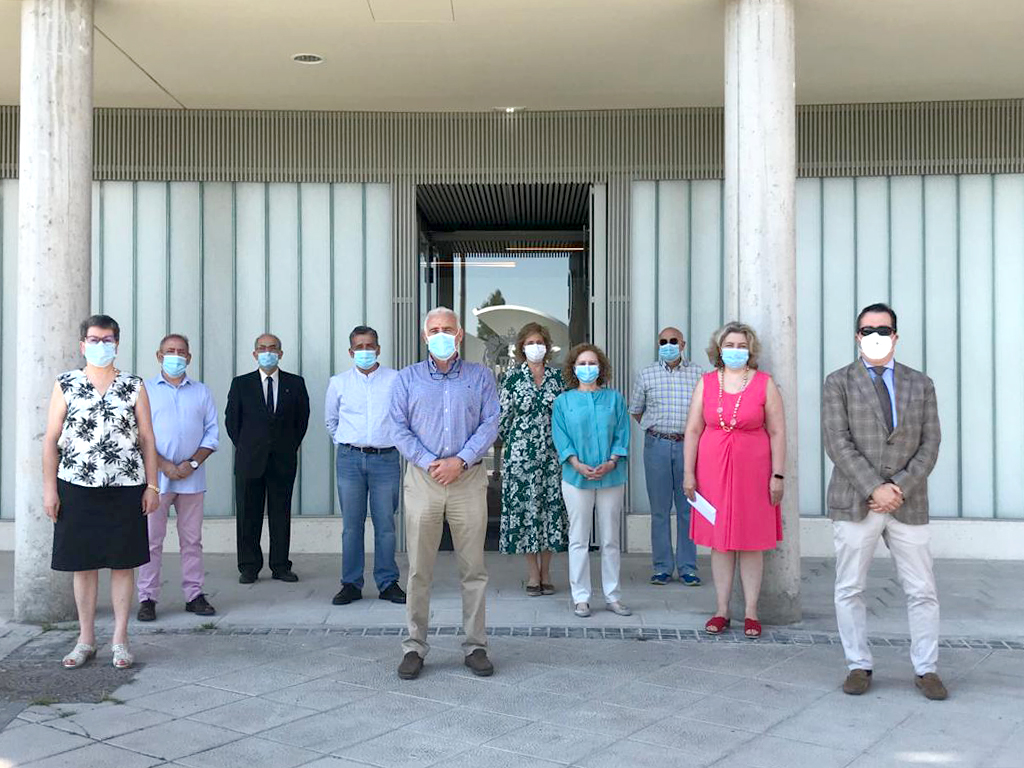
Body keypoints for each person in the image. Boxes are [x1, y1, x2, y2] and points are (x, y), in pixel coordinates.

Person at [823, 303, 945, 700]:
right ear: (857, 336)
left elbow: (930, 444)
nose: (875, 335)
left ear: (895, 335)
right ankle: (858, 664)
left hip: (908, 502)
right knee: (850, 588)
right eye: (867, 329)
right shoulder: (838, 382)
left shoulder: (921, 383)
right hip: (856, 499)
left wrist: (899, 486)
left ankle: (926, 669)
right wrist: (874, 486)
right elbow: (837, 442)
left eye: (883, 328)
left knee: (922, 590)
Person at [42, 315, 160, 669]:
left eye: (107, 340)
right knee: (84, 564)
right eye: (94, 340)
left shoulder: (134, 385)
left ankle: (120, 640)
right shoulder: (66, 384)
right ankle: (86, 639)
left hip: (125, 486)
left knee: (123, 563)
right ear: (83, 345)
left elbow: (148, 439)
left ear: (117, 344)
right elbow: (51, 439)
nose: (101, 346)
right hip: (77, 485)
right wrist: (50, 489)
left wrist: (152, 485)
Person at [390, 307, 499, 680]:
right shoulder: (407, 379)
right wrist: (430, 461)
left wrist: (462, 461)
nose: (440, 334)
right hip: (423, 481)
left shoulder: (480, 376)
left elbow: (490, 423)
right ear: (424, 337)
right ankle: (415, 647)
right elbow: (398, 428)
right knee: (420, 570)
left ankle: (476, 646)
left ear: (459, 334)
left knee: (474, 570)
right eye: (434, 329)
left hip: (467, 481)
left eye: (447, 329)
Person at [683, 322, 784, 639]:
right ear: (719, 348)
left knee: (751, 541)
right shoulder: (707, 382)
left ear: (750, 350)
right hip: (712, 470)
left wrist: (777, 474)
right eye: (730, 345)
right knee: (720, 542)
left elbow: (778, 431)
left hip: (754, 471)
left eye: (742, 346)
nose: (735, 351)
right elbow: (694, 429)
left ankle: (751, 611)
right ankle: (722, 609)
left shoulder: (765, 384)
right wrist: (689, 471)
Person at [137, 334, 219, 621]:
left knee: (192, 540)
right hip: (155, 480)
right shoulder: (144, 390)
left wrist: (193, 462)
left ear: (189, 357)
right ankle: (147, 597)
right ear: (159, 356)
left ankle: (194, 594)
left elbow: (212, 433)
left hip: (192, 479)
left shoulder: (201, 392)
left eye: (181, 351)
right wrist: (163, 465)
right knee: (150, 541)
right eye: (169, 351)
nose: (175, 356)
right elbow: (138, 433)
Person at [325, 325, 405, 606]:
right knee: (351, 526)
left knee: (385, 524)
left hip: (386, 460)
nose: (364, 352)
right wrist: (348, 444)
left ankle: (387, 582)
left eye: (369, 346)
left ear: (379, 349)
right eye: (359, 347)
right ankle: (351, 583)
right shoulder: (339, 382)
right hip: (349, 460)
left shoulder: (396, 380)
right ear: (350, 352)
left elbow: (403, 417)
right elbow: (331, 421)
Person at [552, 343, 631, 619]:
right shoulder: (563, 402)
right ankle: (581, 597)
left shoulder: (614, 399)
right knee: (578, 538)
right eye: (582, 363)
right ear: (573, 368)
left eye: (592, 363)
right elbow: (560, 436)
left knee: (610, 539)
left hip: (612, 476)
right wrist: (575, 462)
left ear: (601, 367)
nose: (588, 368)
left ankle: (613, 596)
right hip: (576, 477)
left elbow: (623, 432)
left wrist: (612, 461)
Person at [226, 333, 310, 584]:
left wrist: (286, 446)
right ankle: (249, 566)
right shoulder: (241, 384)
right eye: (262, 348)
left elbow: (301, 421)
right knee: (247, 514)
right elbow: (232, 421)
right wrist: (248, 447)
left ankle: (280, 565)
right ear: (254, 354)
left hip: (282, 460)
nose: (267, 352)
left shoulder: (295, 383)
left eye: (273, 348)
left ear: (281, 353)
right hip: (249, 460)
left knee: (280, 514)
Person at [630, 326, 704, 587]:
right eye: (663, 341)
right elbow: (636, 410)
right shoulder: (646, 374)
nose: (668, 345)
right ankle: (662, 567)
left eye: (674, 341)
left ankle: (687, 568)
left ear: (683, 344)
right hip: (657, 445)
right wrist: (656, 429)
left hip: (688, 446)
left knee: (687, 509)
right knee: (659, 510)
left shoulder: (699, 374)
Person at [498, 323, 568, 596]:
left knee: (551, 511)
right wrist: (519, 441)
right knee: (526, 513)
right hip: (520, 457)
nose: (535, 347)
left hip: (552, 455)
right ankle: (532, 574)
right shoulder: (512, 379)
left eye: (540, 341)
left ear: (547, 346)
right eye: (530, 342)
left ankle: (547, 572)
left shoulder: (558, 378)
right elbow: (503, 419)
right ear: (521, 347)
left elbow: (564, 415)